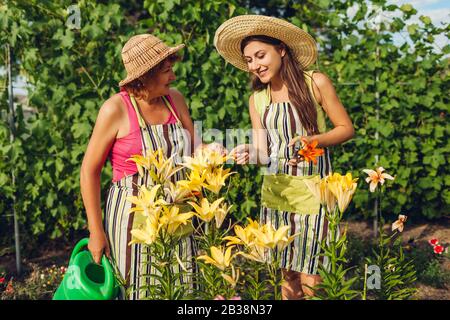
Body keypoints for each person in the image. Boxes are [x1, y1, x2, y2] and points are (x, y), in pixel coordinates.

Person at [214, 15, 355, 299]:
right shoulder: (258, 99)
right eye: (249, 60)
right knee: (287, 275)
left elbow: (345, 129)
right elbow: (264, 151)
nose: (255, 65)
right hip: (277, 194)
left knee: (312, 278)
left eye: (260, 55)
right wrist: (247, 153)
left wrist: (315, 140)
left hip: (315, 192)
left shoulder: (315, 82)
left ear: (281, 49)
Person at [80, 34, 202, 299]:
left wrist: (220, 154)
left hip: (177, 212)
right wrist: (95, 231)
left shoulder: (175, 100)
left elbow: (195, 150)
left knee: (182, 288)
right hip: (132, 220)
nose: (173, 76)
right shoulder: (115, 109)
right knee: (139, 288)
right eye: (167, 71)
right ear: (145, 75)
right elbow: (89, 171)